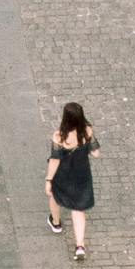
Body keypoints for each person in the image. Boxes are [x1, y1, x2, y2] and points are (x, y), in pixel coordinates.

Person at [46, 104, 97, 259]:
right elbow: (95, 153)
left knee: (55, 196)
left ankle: (56, 223)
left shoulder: (59, 137)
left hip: (63, 175)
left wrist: (48, 179)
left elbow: (55, 160)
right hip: (81, 175)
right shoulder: (87, 131)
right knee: (78, 209)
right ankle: (80, 246)